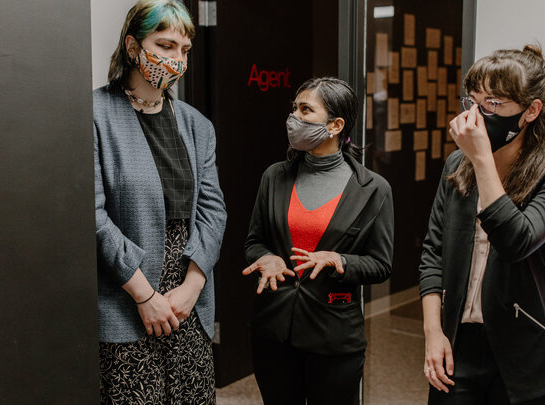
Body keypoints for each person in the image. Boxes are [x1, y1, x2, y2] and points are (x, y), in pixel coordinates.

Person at [418, 44, 545, 404]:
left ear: (531, 111)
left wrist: (482, 159)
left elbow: (516, 240)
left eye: (493, 105)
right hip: (458, 345)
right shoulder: (455, 165)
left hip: (525, 350)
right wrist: (433, 333)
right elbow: (433, 253)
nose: (477, 116)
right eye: (473, 102)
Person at [94, 1, 226, 403]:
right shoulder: (94, 114)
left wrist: (191, 287)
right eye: (165, 45)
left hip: (189, 301)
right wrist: (146, 297)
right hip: (127, 301)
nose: (176, 59)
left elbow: (212, 211)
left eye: (184, 50)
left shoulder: (196, 124)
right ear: (134, 47)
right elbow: (93, 216)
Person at [242, 77, 394, 405]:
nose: (293, 118)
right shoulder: (274, 176)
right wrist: (266, 258)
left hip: (334, 337)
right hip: (273, 333)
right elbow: (255, 241)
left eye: (305, 110)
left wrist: (339, 260)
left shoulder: (373, 189)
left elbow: (381, 264)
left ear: (336, 125)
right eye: (293, 108)